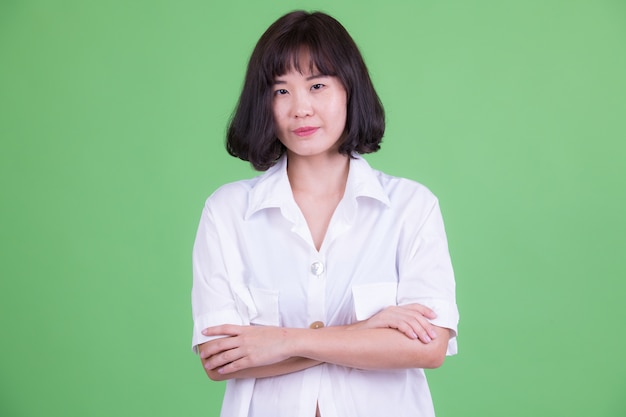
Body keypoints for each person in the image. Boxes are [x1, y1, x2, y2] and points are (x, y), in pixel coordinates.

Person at [191, 10, 459, 417]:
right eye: (280, 91)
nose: (300, 108)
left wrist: (285, 342)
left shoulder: (410, 207)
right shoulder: (227, 212)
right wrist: (365, 334)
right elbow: (221, 360)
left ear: (350, 90)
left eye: (317, 85)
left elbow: (429, 346)